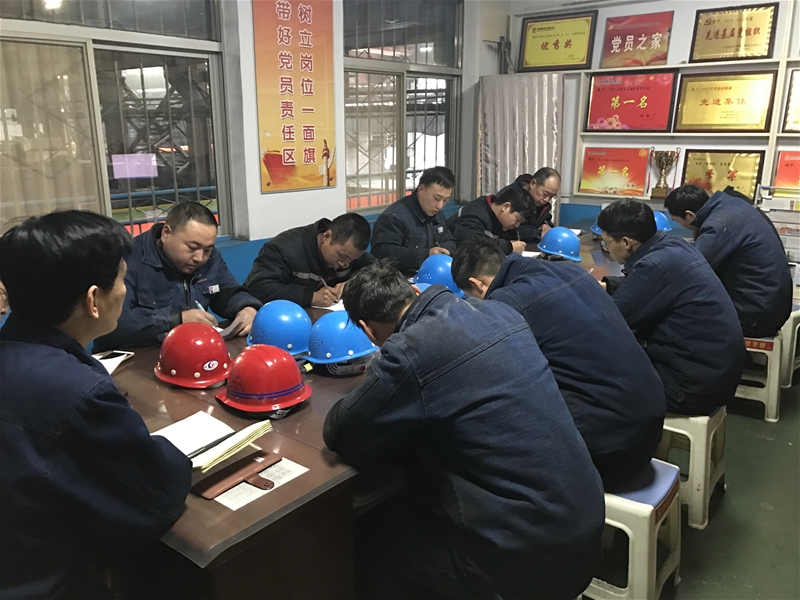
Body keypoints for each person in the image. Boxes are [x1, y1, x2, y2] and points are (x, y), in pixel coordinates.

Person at [323, 262, 604, 599]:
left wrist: (377, 377)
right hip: (586, 532)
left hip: (526, 563)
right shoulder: (498, 312)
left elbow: (341, 434)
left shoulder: (410, 352)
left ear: (368, 331)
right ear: (414, 291)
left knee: (370, 531)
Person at [0, 211, 192, 598]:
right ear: (93, 300)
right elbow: (156, 496)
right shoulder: (76, 392)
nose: (123, 291)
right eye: (121, 280)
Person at [452, 236, 665, 490]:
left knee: (480, 426)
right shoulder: (570, 271)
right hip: (650, 426)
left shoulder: (508, 302)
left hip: (609, 449)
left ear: (477, 284)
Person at [598, 200, 745, 416]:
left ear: (626, 242)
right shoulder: (673, 245)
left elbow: (611, 321)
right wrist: (608, 286)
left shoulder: (654, 265)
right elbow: (651, 285)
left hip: (688, 388)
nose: (606, 248)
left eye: (606, 243)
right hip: (715, 374)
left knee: (589, 373)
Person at [94, 202, 261, 351]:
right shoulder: (127, 259)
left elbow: (227, 291)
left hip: (187, 353)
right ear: (166, 233)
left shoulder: (211, 259)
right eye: (192, 247)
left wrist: (246, 308)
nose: (199, 258)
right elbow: (112, 325)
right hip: (132, 359)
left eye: (207, 249)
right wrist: (176, 320)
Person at [665, 184, 792, 338]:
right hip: (770, 305)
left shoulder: (718, 225)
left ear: (690, 215)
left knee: (674, 318)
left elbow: (689, 268)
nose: (681, 226)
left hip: (755, 315)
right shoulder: (732, 204)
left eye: (678, 221)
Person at [245, 213, 373, 308]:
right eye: (341, 256)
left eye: (351, 259)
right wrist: (311, 297)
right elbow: (259, 287)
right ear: (326, 236)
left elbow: (380, 270)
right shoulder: (284, 249)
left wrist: (354, 283)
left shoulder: (348, 252)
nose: (344, 263)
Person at [370, 166, 457, 273]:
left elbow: (450, 241)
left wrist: (442, 251)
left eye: (445, 200)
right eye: (437, 198)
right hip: (401, 278)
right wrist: (426, 255)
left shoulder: (438, 215)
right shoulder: (393, 217)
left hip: (432, 273)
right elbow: (382, 254)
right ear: (421, 190)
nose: (439, 205)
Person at [446, 185, 531, 254]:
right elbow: (471, 244)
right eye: (517, 219)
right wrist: (508, 247)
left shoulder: (500, 220)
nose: (517, 225)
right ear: (506, 207)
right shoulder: (476, 213)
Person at [499, 167, 561, 244]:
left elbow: (542, 218)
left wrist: (545, 226)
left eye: (552, 196)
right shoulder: (509, 196)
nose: (547, 200)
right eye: (545, 194)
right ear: (533, 184)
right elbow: (507, 230)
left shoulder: (538, 201)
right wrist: (538, 234)